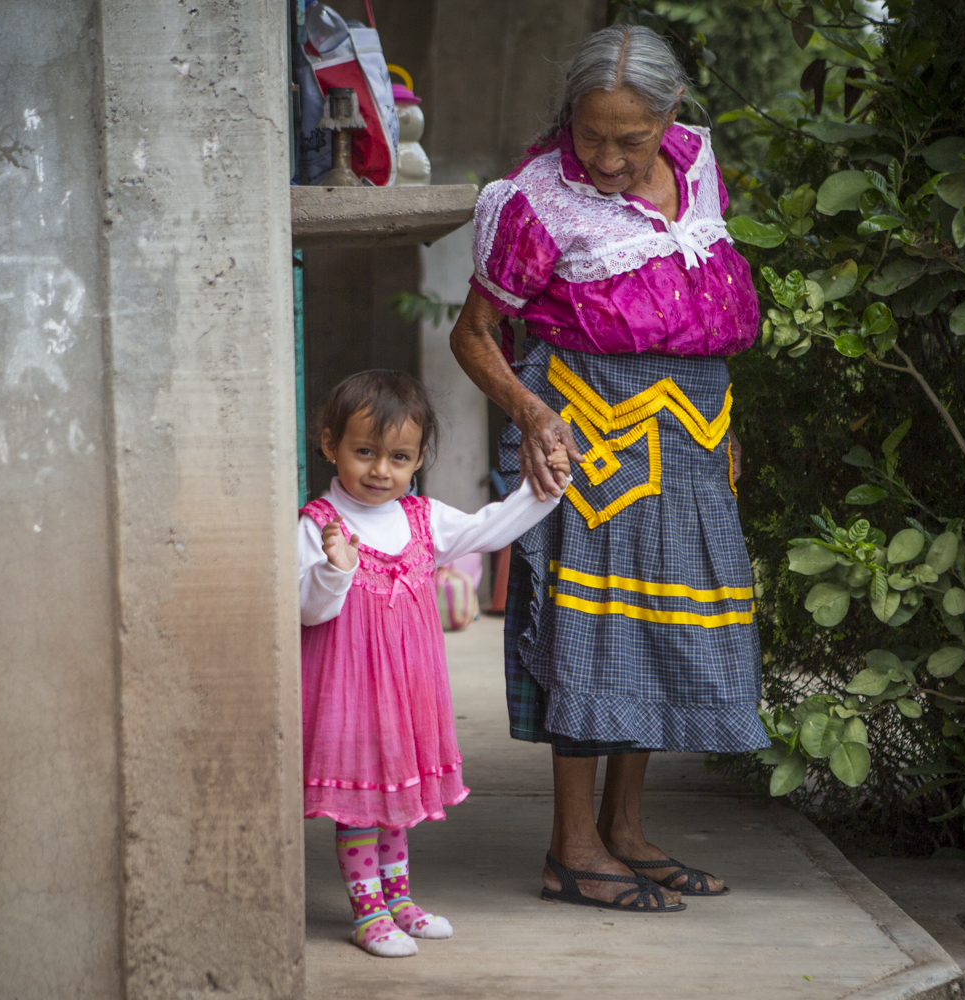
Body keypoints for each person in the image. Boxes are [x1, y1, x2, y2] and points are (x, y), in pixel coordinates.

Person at [449, 25, 767, 914]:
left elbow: (703, 310)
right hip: (593, 434)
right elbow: (473, 337)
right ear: (570, 116)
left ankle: (626, 832)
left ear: (671, 114)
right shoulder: (535, 201)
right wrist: (533, 414)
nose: (609, 157)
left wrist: (722, 420)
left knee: (661, 631)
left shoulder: (698, 167)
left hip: (693, 437)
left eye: (631, 139)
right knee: (594, 636)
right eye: (592, 135)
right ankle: (572, 847)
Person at [298, 370, 571, 957]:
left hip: (409, 691)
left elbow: (488, 528)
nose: (380, 470)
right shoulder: (320, 525)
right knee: (361, 801)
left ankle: (398, 899)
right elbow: (310, 611)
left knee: (396, 798)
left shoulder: (421, 518)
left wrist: (543, 489)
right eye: (364, 452)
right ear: (330, 445)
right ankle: (366, 911)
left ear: (419, 460)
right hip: (352, 694)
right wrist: (336, 568)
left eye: (399, 457)